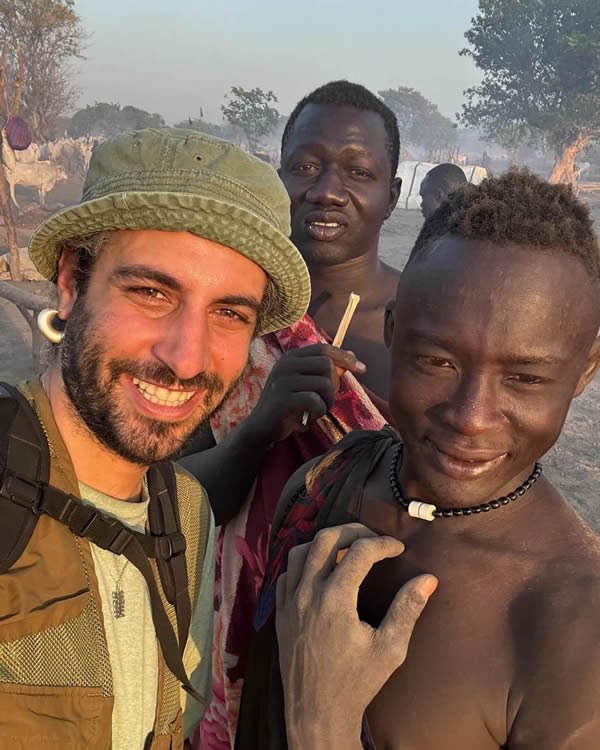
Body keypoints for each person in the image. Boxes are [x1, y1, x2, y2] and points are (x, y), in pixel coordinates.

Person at [237, 169, 600, 749]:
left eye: (525, 378)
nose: (471, 415)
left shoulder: (573, 629)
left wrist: (321, 726)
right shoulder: (325, 484)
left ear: (584, 370)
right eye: (437, 362)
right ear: (393, 330)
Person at [0, 127, 312, 750]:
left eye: (229, 313)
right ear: (70, 280)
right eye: (150, 292)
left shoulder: (188, 515)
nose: (187, 359)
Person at [189, 80, 402, 749]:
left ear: (393, 194)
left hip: (374, 647)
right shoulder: (229, 316)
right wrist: (260, 426)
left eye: (358, 171)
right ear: (280, 175)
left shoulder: (425, 329)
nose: (327, 189)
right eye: (305, 167)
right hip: (230, 629)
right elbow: (177, 504)